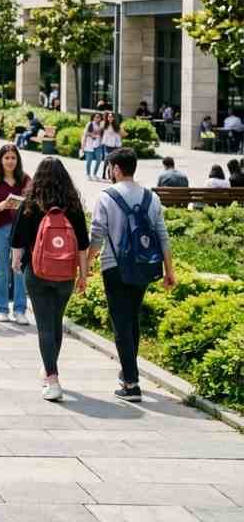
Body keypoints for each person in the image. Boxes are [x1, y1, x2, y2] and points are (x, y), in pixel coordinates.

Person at [89, 149, 178, 401]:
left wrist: (84, 266)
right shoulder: (152, 198)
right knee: (132, 318)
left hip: (114, 266)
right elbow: (163, 237)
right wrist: (169, 271)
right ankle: (129, 372)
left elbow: (97, 237)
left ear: (116, 168)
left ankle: (131, 383)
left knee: (121, 322)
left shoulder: (106, 197)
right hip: (144, 265)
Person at [9, 157, 91, 401]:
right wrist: (83, 274)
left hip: (36, 272)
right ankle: (49, 368)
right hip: (65, 273)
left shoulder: (31, 203)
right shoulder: (73, 205)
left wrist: (15, 263)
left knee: (44, 325)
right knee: (55, 323)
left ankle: (52, 379)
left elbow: (17, 240)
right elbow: (83, 245)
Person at [0, 144, 32, 323]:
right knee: (1, 270)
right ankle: (2, 308)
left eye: (13, 158)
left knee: (19, 268)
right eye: (7, 158)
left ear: (18, 160)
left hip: (20, 230)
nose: (10, 161)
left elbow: (33, 202)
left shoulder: (25, 180)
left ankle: (20, 309)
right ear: (0, 160)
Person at [100, 114, 123, 180]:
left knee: (113, 160)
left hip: (115, 145)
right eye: (109, 117)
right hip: (107, 145)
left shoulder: (116, 126)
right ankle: (104, 173)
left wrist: (119, 145)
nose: (110, 118)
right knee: (107, 160)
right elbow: (104, 135)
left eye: (111, 117)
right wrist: (103, 143)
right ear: (107, 118)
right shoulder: (105, 125)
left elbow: (118, 136)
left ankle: (110, 174)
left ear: (113, 118)